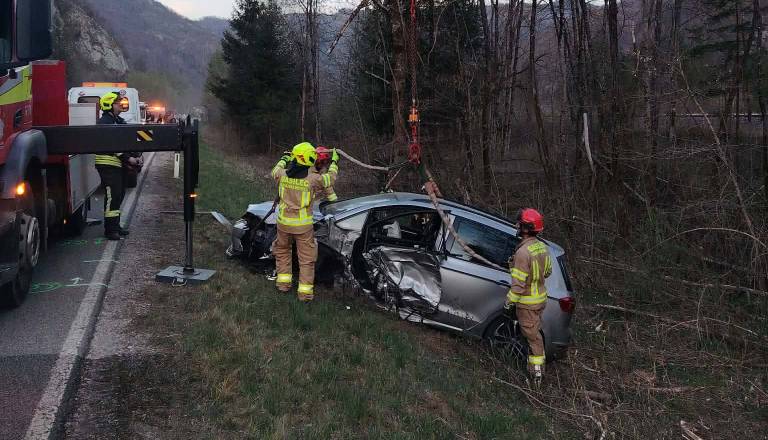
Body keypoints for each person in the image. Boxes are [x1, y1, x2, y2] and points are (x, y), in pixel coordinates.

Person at [271, 142, 339, 301]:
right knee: (307, 259)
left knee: (282, 252)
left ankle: (283, 285)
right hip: (302, 227)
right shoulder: (313, 179)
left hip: (283, 224)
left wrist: (284, 159)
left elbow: (274, 170)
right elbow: (330, 179)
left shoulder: (281, 174)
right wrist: (334, 162)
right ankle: (304, 294)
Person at [505, 208, 552, 383]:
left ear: (526, 228)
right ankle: (536, 372)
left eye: (520, 224)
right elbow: (547, 272)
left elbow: (518, 287)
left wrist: (508, 302)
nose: (517, 226)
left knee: (533, 339)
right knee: (534, 335)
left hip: (527, 304)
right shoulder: (542, 247)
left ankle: (536, 376)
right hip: (540, 300)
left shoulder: (523, 253)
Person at [94, 91, 138, 240]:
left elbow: (126, 140)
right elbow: (111, 145)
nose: (121, 104)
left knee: (119, 195)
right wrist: (128, 158)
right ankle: (110, 230)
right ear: (109, 104)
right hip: (108, 164)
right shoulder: (104, 123)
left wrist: (136, 155)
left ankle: (116, 226)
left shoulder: (117, 121)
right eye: (118, 102)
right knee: (113, 196)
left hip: (118, 165)